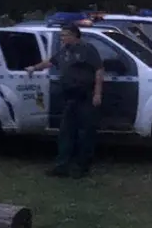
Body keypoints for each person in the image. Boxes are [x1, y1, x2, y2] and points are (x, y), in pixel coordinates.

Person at [25, 23, 103, 178]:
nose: (62, 38)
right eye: (61, 35)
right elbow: (50, 62)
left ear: (74, 35)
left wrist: (97, 93)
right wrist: (34, 68)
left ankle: (82, 167)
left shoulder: (87, 49)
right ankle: (62, 166)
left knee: (85, 133)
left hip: (85, 96)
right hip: (70, 97)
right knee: (66, 133)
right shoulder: (64, 51)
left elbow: (99, 70)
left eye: (64, 35)